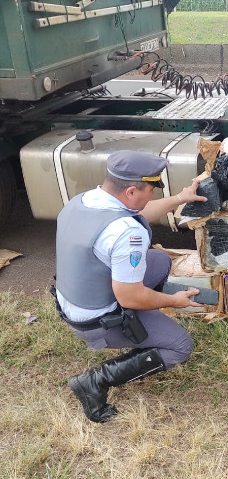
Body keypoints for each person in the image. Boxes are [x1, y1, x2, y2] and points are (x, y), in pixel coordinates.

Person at [54, 150, 208, 423]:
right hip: (96, 322)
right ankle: (95, 381)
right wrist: (175, 301)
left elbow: (140, 212)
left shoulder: (84, 201)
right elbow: (130, 296)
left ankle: (144, 328)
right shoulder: (127, 234)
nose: (153, 194)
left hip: (77, 302)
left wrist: (182, 198)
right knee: (180, 346)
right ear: (131, 192)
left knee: (158, 260)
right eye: (151, 189)